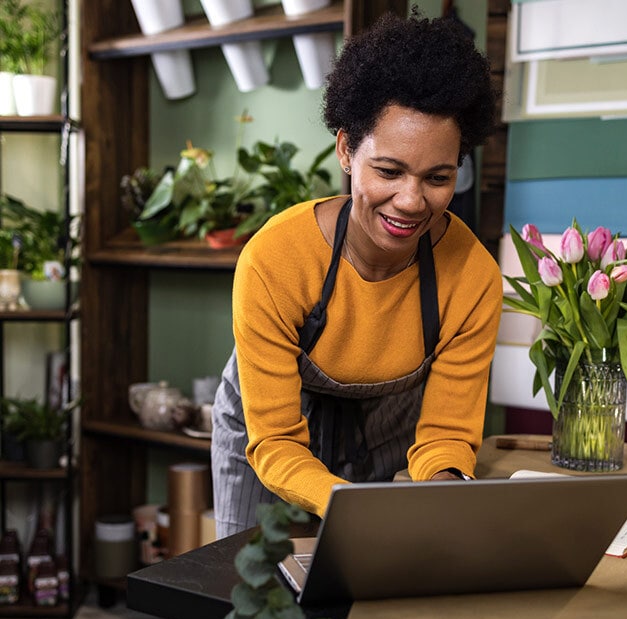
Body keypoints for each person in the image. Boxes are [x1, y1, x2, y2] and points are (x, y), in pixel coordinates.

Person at [211, 10, 502, 538]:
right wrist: (351, 505)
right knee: (252, 602)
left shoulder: (473, 276)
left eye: (437, 178)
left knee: (376, 600)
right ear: (347, 150)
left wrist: (444, 488)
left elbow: (444, 435)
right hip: (268, 439)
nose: (411, 201)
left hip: (389, 429)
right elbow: (275, 440)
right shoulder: (276, 260)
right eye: (388, 171)